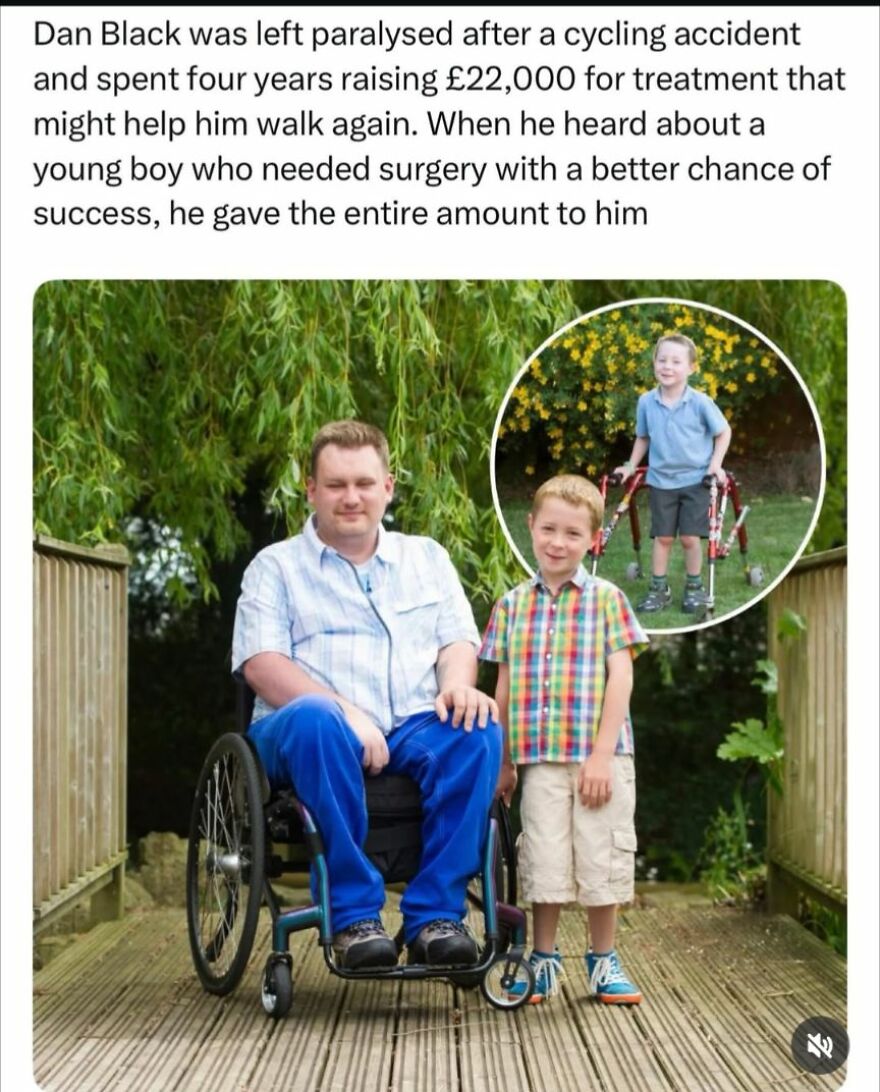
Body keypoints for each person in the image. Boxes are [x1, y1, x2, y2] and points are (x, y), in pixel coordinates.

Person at [232, 420, 501, 970]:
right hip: (303, 727)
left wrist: (456, 684)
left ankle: (435, 918)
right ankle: (353, 917)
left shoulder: (427, 557)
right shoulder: (277, 567)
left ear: (388, 486)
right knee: (315, 718)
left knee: (478, 729)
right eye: (335, 485)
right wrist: (345, 711)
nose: (350, 497)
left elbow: (456, 639)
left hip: (411, 722)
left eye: (363, 483)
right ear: (311, 490)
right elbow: (261, 663)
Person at [480, 474, 648, 1004]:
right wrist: (504, 760)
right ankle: (544, 959)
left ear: (594, 540)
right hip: (539, 760)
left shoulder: (607, 600)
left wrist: (601, 755)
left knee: (601, 855)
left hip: (600, 758)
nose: (558, 542)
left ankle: (603, 960)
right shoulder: (511, 606)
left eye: (573, 534)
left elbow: (621, 676)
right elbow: (502, 686)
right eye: (549, 528)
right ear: (530, 526)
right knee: (545, 859)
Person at [614, 333, 732, 613]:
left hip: (696, 480)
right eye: (662, 360)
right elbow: (643, 437)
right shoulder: (646, 402)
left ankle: (694, 587)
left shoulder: (701, 402)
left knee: (690, 537)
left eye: (676, 361)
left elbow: (723, 431)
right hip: (661, 481)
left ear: (691, 368)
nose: (667, 366)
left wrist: (715, 465)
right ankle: (658, 588)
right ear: (654, 363)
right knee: (663, 537)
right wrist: (630, 466)